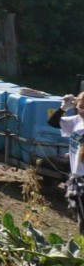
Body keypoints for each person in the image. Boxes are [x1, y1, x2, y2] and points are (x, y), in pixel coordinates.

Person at [48, 91, 84, 234]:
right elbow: (53, 122)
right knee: (78, 211)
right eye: (80, 107)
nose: (82, 110)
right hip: (77, 175)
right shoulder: (76, 121)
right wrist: (63, 108)